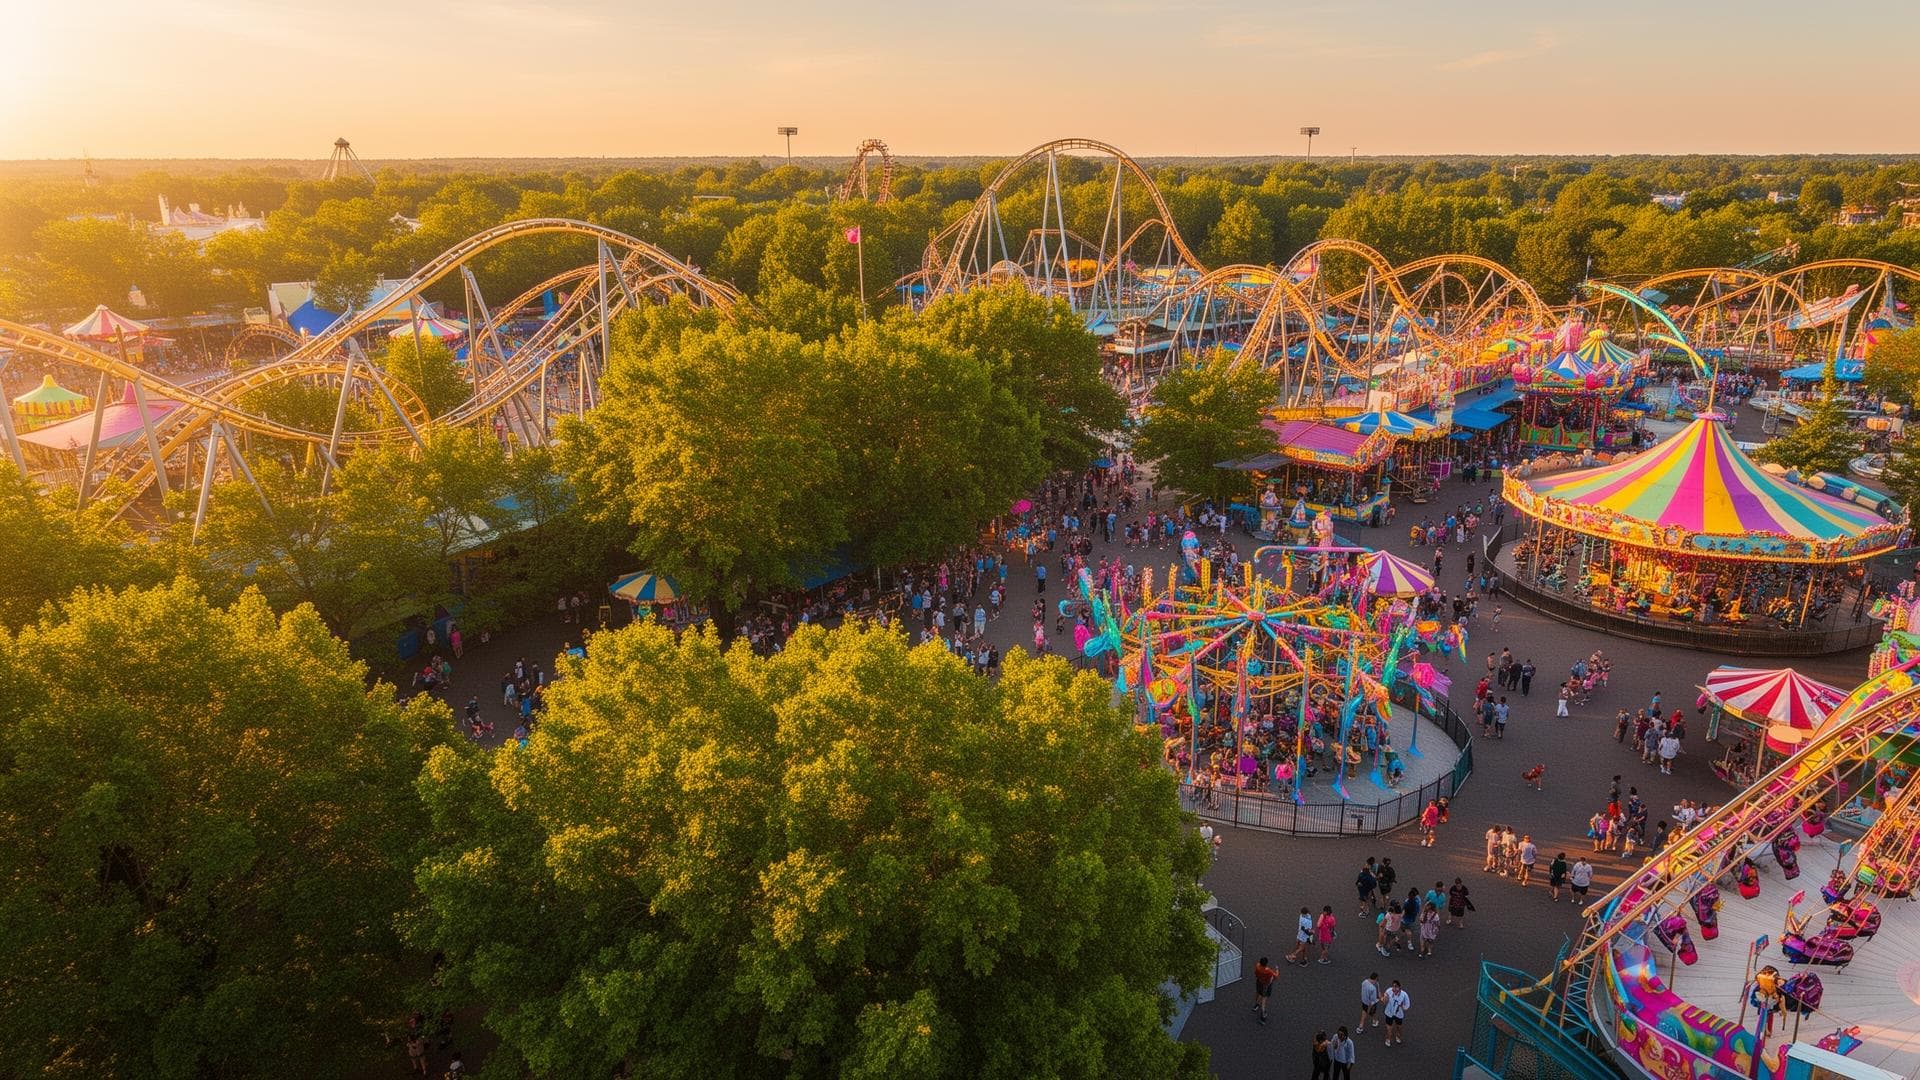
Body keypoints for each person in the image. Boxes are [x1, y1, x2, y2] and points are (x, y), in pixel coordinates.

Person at [1382, 980, 1411, 1046]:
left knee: (1399, 1027)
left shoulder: (1404, 995)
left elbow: (1407, 1006)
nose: (1394, 989)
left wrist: (1402, 1006)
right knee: (1389, 1028)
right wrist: (1384, 999)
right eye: (1393, 986)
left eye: (1396, 987)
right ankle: (1388, 1038)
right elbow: (1384, 1001)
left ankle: (1398, 1035)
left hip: (1398, 1014)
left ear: (1400, 987)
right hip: (1389, 1012)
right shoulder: (1389, 991)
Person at [1253, 956, 1278, 1023]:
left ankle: (1256, 1005)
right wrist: (1277, 970)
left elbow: (1255, 974)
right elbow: (1276, 976)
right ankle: (1263, 1014)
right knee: (1264, 999)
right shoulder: (1268, 971)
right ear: (1266, 963)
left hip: (1259, 982)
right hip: (1266, 985)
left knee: (1258, 992)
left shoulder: (1257, 966)